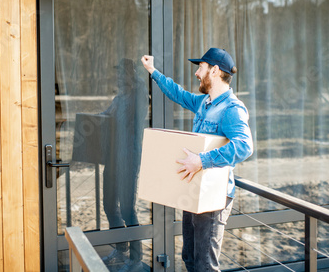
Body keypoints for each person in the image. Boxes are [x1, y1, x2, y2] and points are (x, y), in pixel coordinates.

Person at [141, 48, 253, 272]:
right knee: (190, 259)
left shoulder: (232, 109)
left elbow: (244, 146)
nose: (196, 73)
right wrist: (152, 71)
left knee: (205, 266)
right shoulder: (204, 103)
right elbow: (178, 94)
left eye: (200, 67)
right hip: (194, 192)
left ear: (214, 70)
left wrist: (202, 160)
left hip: (214, 198)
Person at [101, 58, 149, 272]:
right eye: (118, 73)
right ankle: (121, 250)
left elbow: (139, 108)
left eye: (122, 73)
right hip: (111, 158)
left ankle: (136, 258)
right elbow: (106, 116)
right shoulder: (119, 99)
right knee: (109, 204)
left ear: (131, 75)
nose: (119, 77)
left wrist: (135, 80)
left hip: (129, 157)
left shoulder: (137, 96)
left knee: (128, 208)